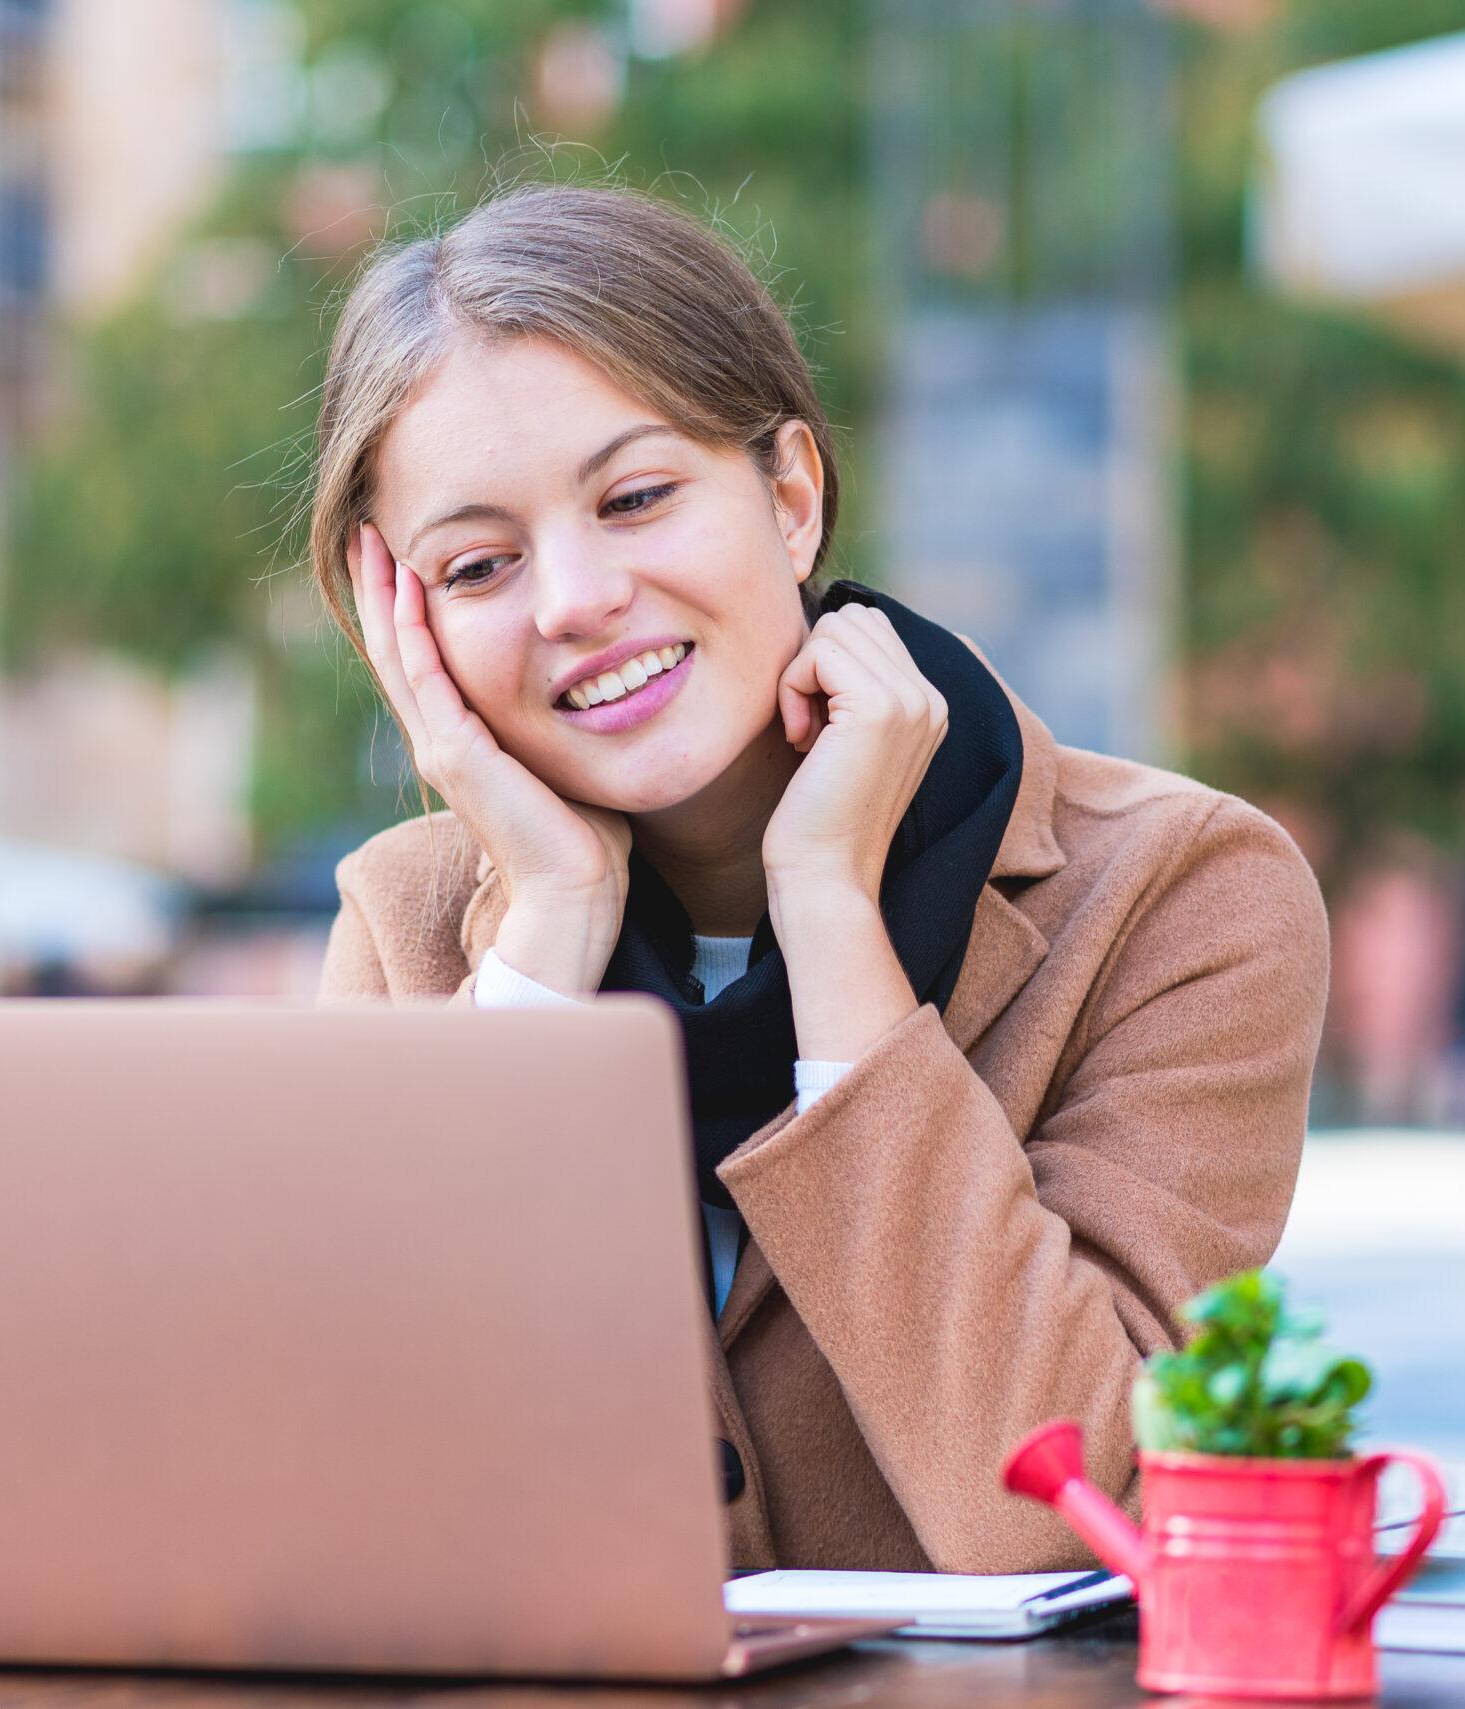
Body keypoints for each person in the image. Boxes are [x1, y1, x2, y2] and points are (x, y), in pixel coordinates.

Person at [307, 184, 1328, 1574]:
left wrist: (831, 916)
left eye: (638, 496)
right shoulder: (410, 931)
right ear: (403, 622)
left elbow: (1064, 1512)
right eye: (480, 563)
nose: (572, 598)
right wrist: (546, 934)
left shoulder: (1181, 896)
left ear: (791, 496)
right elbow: (345, 1505)